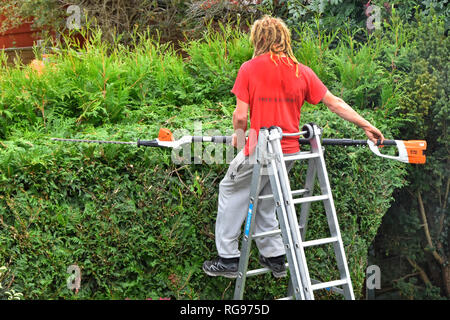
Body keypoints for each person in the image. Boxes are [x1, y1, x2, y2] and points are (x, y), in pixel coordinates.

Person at [202, 15, 385, 278]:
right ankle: (275, 256)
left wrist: (239, 136)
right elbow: (335, 103)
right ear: (283, 39)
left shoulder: (249, 68)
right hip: (288, 152)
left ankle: (228, 259)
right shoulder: (301, 71)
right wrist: (365, 124)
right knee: (265, 200)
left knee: (230, 189)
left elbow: (241, 116)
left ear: (259, 39)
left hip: (259, 149)